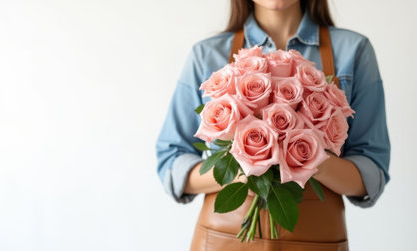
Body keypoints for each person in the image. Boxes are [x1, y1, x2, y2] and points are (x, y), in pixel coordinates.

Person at [156, 0, 390, 250]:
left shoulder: (353, 50)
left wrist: (307, 159)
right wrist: (244, 171)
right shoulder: (206, 54)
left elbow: (371, 172)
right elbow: (171, 161)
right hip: (223, 241)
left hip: (315, 242)